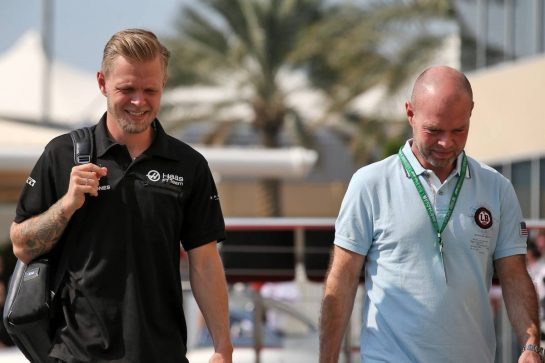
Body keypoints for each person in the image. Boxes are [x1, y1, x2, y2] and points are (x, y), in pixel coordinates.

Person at [9, 28, 232, 363]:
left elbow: (204, 262)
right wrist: (67, 205)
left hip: (161, 354)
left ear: (164, 85)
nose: (139, 102)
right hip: (75, 354)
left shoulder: (189, 165)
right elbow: (21, 246)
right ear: (102, 83)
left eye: (150, 90)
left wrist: (222, 347)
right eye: (127, 89)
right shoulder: (61, 155)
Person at [319, 66, 541, 363]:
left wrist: (531, 345)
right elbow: (342, 279)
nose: (446, 143)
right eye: (434, 130)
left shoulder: (497, 188)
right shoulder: (370, 183)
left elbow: (514, 276)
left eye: (459, 130)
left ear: (471, 112)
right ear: (410, 113)